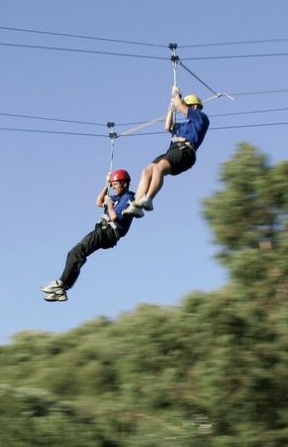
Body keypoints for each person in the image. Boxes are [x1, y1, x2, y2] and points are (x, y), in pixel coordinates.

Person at [41, 169, 136, 302]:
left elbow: (114, 216)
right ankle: (62, 288)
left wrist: (109, 204)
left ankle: (62, 285)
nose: (113, 187)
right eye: (112, 185)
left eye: (115, 184)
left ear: (125, 184)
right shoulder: (118, 197)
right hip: (103, 231)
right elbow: (98, 202)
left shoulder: (128, 198)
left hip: (108, 232)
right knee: (77, 252)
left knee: (77, 251)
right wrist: (106, 185)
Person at [122, 86, 209, 217]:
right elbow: (167, 126)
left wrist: (176, 95)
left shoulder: (200, 119)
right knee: (147, 171)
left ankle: (149, 199)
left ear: (195, 107)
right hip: (173, 150)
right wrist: (171, 108)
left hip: (185, 151)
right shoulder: (183, 126)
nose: (187, 108)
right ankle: (136, 205)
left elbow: (181, 106)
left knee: (158, 168)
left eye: (189, 106)